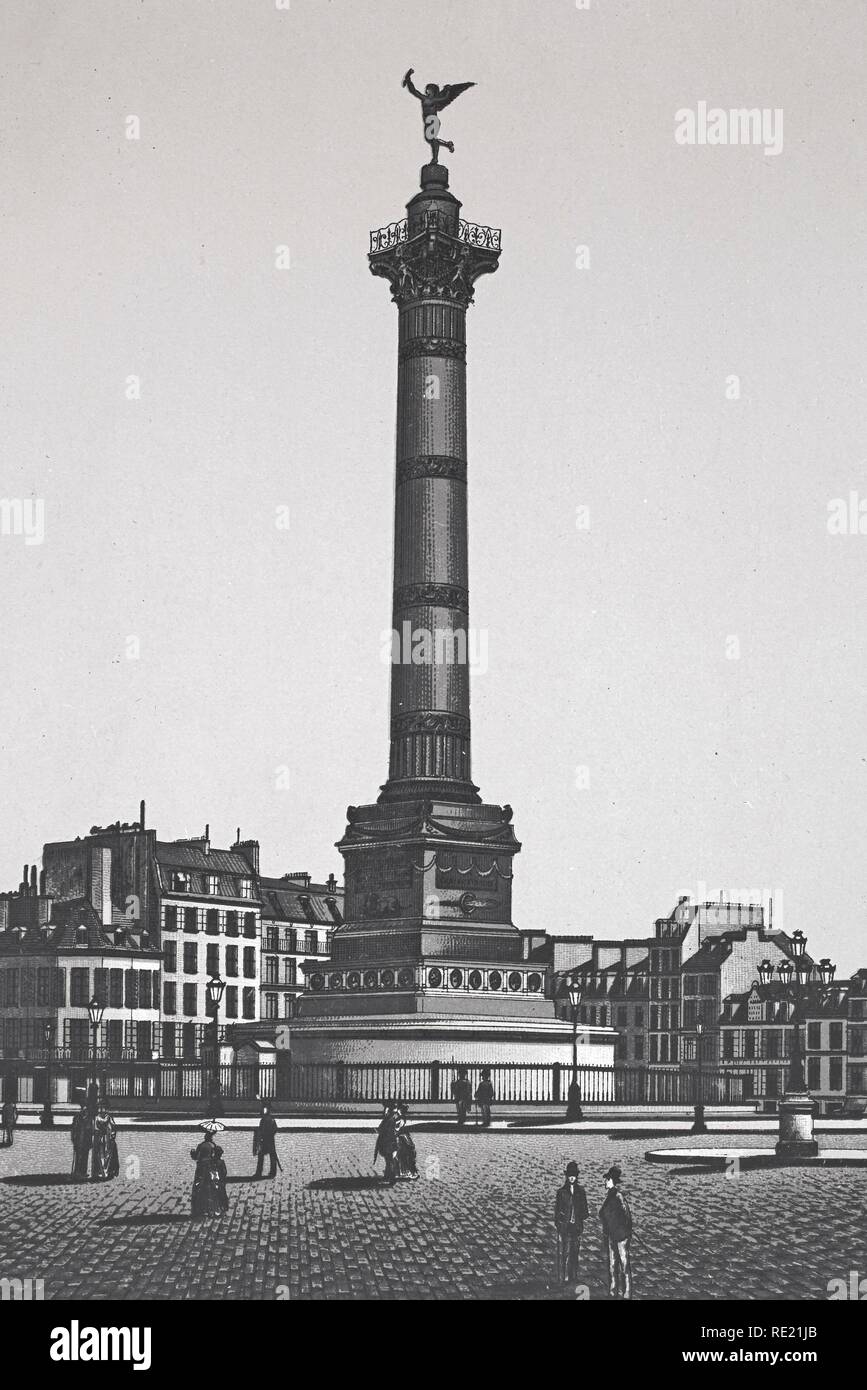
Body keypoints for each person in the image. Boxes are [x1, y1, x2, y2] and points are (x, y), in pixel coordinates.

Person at [600, 1165, 633, 1300]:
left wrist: (624, 1233)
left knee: (624, 1265)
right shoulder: (610, 1196)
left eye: (607, 1179)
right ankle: (613, 1291)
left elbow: (627, 1217)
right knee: (613, 1265)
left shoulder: (618, 1197)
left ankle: (627, 1292)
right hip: (612, 1235)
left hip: (620, 1236)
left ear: (612, 1181)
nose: (605, 1182)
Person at [554, 1161, 589, 1285]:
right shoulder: (561, 1192)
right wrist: (560, 1224)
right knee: (566, 1253)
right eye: (570, 1175)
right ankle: (564, 1278)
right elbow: (557, 1212)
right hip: (566, 1227)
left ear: (577, 1176)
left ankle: (573, 1276)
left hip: (577, 1227)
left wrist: (580, 1215)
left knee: (575, 1253)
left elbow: (585, 1211)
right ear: (567, 1176)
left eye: (574, 1175)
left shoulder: (581, 1192)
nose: (572, 1177)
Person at [190, 1122, 229, 1219]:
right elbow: (215, 1158)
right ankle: (214, 1210)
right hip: (211, 1169)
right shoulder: (213, 1145)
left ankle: (200, 1209)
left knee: (200, 1188)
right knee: (213, 1189)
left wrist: (192, 1153)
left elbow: (196, 1157)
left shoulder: (201, 1145)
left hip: (201, 1169)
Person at [91, 1104, 120, 1181]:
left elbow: (113, 1128)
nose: (102, 1110)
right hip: (100, 1139)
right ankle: (100, 1172)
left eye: (103, 1108)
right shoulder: (96, 1118)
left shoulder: (109, 1118)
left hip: (108, 1139)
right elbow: (94, 1129)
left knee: (108, 1156)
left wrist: (112, 1136)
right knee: (100, 1156)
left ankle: (107, 1171)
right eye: (100, 1109)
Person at [373, 1101, 398, 1183]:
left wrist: (379, 1130)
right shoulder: (391, 1117)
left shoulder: (389, 1118)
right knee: (389, 1160)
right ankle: (389, 1176)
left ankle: (390, 1177)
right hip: (389, 1142)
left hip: (388, 1142)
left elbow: (384, 1129)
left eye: (386, 1109)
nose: (384, 1111)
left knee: (389, 1160)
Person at [393, 1104, 419, 1181]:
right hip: (401, 1137)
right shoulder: (398, 1117)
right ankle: (402, 1172)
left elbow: (398, 1128)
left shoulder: (400, 1118)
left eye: (399, 1109)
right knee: (400, 1155)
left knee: (402, 1155)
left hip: (402, 1138)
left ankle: (407, 1172)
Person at [253, 1104, 279, 1180]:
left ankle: (260, 1172)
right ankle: (272, 1172)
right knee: (271, 1156)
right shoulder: (270, 1120)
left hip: (265, 1140)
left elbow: (262, 1130)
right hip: (269, 1140)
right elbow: (274, 1130)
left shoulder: (265, 1120)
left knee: (263, 1156)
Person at [70, 1102, 92, 1181]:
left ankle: (83, 1172)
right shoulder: (77, 1117)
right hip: (79, 1140)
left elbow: (91, 1130)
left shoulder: (90, 1118)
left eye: (86, 1108)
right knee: (78, 1156)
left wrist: (90, 1141)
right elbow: (74, 1129)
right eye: (83, 1108)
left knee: (85, 1157)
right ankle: (77, 1172)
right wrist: (73, 1139)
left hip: (86, 1140)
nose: (84, 1110)